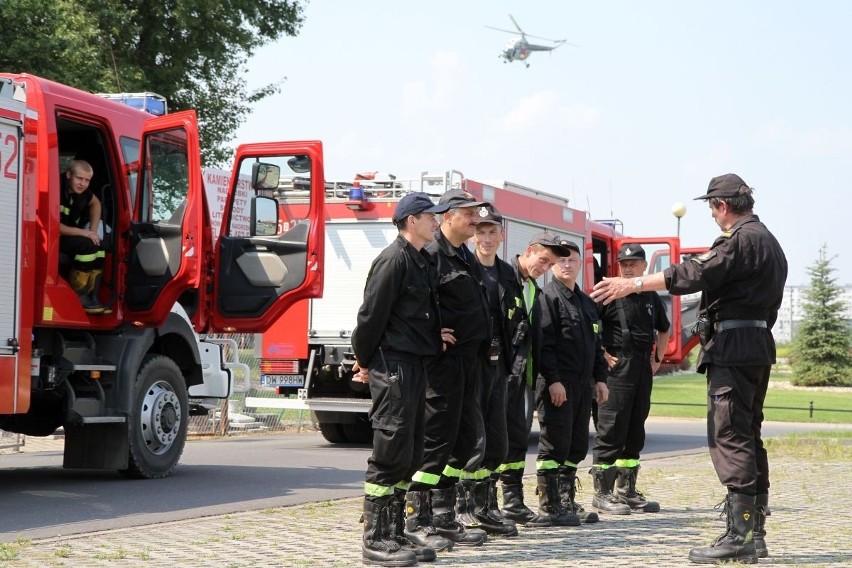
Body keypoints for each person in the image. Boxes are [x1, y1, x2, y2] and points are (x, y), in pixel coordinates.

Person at [590, 174, 787, 564]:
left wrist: (633, 285)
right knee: (749, 435)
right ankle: (755, 533)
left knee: (730, 436)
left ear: (722, 206)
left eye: (712, 209)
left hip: (733, 349)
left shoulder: (740, 240)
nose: (713, 216)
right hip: (757, 344)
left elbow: (695, 273)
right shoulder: (770, 242)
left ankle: (740, 536)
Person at [351, 192, 451, 566]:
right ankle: (375, 538)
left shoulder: (421, 261)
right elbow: (370, 318)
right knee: (390, 447)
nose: (436, 222)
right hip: (393, 365)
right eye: (430, 217)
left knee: (408, 450)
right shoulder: (393, 261)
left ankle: (393, 532)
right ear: (411, 221)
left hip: (414, 364)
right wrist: (366, 361)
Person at [407, 189, 490, 547]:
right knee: (435, 441)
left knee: (463, 440)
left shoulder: (463, 255)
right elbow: (411, 304)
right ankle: (417, 520)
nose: (475, 221)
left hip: (469, 363)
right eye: (469, 214)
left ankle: (444, 515)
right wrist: (429, 333)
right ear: (448, 216)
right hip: (441, 365)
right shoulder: (431, 255)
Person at [497, 232, 570, 528]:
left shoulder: (533, 290)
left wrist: (549, 377)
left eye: (550, 263)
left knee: (516, 441)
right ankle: (480, 505)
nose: (544, 267)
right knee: (491, 443)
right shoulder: (503, 279)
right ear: (528, 251)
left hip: (522, 380)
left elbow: (539, 342)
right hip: (498, 377)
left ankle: (513, 503)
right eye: (543, 260)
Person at [591, 243, 670, 515]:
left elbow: (664, 329)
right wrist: (601, 354)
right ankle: (602, 493)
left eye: (633, 263)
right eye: (624, 264)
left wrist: (657, 358)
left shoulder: (651, 297)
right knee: (611, 428)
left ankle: (627, 491)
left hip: (641, 368)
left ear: (643, 267)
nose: (627, 268)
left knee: (635, 429)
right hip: (616, 368)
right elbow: (588, 327)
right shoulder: (607, 294)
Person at [538, 239, 609, 526]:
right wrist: (553, 381)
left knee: (577, 444)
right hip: (559, 383)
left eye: (572, 260)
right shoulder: (548, 298)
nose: (566, 265)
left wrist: (600, 379)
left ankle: (566, 500)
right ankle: (549, 505)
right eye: (561, 260)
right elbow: (544, 344)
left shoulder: (586, 303)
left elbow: (596, 344)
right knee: (554, 443)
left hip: (582, 385)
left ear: (580, 264)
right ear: (553, 264)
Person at [457, 206, 517, 537]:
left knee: (497, 441)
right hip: (473, 363)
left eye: (492, 231)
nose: (486, 237)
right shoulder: (465, 268)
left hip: (500, 365)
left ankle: (486, 506)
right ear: (473, 234)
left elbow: (516, 320)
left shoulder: (508, 274)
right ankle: (463, 508)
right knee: (472, 439)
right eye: (480, 231)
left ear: (502, 235)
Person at [59, 159, 109, 314]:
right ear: (68, 175)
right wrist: (85, 233)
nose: (83, 184)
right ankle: (77, 293)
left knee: (100, 246)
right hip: (51, 239)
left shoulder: (83, 192)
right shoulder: (55, 188)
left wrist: (93, 231)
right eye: (79, 178)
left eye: (87, 180)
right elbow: (54, 227)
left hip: (69, 235)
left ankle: (90, 293)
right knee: (88, 246)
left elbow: (96, 203)